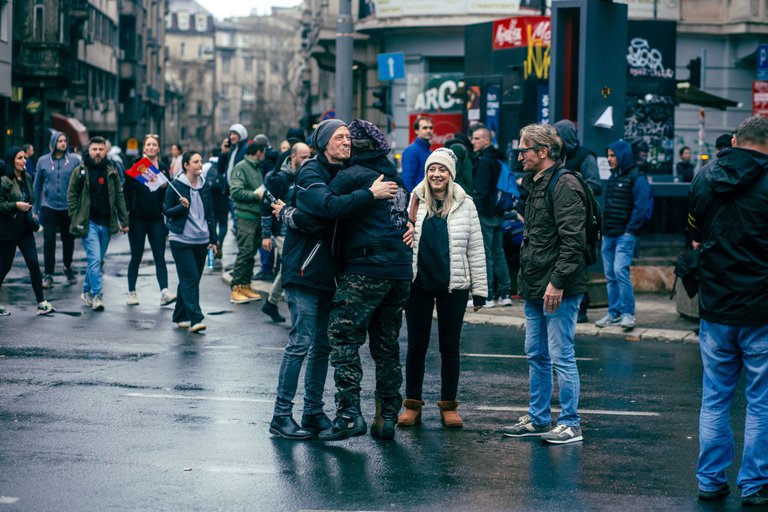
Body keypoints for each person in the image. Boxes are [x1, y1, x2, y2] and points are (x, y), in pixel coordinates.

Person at [267, 119, 397, 440]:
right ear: (325, 143)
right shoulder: (311, 172)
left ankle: (312, 412)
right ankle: (281, 415)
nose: (346, 142)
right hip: (305, 271)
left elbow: (332, 212)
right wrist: (369, 194)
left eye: (348, 138)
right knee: (301, 342)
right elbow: (324, 208)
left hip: (332, 273)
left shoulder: (345, 172)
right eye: (339, 137)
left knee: (322, 347)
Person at [688, 116, 768, 506]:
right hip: (761, 307)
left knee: (715, 398)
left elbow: (696, 235)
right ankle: (754, 485)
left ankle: (710, 480)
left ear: (736, 140)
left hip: (716, 305)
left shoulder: (704, 177)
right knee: (761, 400)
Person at [317, 119, 412, 441]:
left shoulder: (353, 176)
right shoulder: (394, 177)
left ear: (358, 146)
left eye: (348, 140)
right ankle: (387, 415)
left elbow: (322, 207)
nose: (344, 145)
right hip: (400, 270)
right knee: (386, 346)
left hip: (367, 268)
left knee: (342, 337)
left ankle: (348, 415)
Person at [500, 123, 588, 445]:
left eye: (525, 149)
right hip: (536, 285)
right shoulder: (536, 183)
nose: (519, 155)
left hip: (557, 287)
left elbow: (572, 240)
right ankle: (538, 419)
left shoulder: (563, 184)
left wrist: (558, 282)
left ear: (543, 152)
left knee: (561, 354)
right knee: (535, 353)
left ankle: (570, 423)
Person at [398, 147, 487, 429]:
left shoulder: (465, 203)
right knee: (416, 346)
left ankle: (449, 405)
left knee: (450, 348)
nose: (436, 174)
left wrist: (480, 289)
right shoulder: (413, 200)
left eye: (442, 169)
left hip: (454, 286)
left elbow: (475, 247)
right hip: (418, 284)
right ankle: (412, 404)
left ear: (451, 174)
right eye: (432, 169)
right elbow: (397, 238)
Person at [67, 136, 130, 312]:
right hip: (89, 223)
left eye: (101, 149)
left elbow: (119, 196)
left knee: (97, 261)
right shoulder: (80, 170)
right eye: (94, 149)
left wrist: (124, 221)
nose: (97, 152)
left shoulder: (112, 170)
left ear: (105, 151)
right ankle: (97, 295)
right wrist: (74, 216)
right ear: (89, 150)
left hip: (107, 223)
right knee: (94, 259)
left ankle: (86, 290)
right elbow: (71, 195)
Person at [594, 140, 651, 330]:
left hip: (624, 235)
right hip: (609, 235)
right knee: (610, 275)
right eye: (608, 155)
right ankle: (614, 314)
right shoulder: (613, 177)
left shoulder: (637, 177)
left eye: (613, 155)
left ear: (622, 156)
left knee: (620, 272)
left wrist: (630, 230)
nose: (609, 159)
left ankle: (628, 314)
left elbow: (641, 206)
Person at [553, 119, 602, 323]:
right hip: (559, 216)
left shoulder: (585, 156)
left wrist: (571, 190)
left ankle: (582, 307)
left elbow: (595, 185)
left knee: (578, 263)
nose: (554, 139)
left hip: (579, 217)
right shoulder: (558, 156)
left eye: (557, 135)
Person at [164, 151, 218, 334]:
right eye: (195, 161)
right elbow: (166, 211)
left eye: (200, 161)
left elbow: (210, 213)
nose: (199, 164)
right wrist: (181, 206)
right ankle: (196, 319)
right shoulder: (176, 185)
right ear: (186, 165)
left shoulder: (204, 186)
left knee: (190, 280)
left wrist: (213, 239)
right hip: (181, 240)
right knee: (191, 279)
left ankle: (179, 315)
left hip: (201, 240)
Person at [260, 142, 311, 323]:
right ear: (293, 157)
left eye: (309, 156)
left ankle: (271, 303)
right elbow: (266, 208)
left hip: (298, 230)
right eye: (303, 157)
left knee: (288, 269)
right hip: (281, 232)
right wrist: (266, 236)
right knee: (289, 269)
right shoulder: (280, 178)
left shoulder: (307, 175)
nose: (307, 160)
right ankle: (283, 307)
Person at [0, 147, 55, 316]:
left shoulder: (27, 178)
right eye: (19, 158)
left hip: (24, 230)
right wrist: (15, 205)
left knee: (33, 263)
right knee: (4, 267)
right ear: (12, 161)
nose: (24, 161)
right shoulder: (4, 181)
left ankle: (41, 303)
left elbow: (30, 200)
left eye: (24, 158)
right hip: (7, 231)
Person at [123, 134, 175, 307]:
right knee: (136, 256)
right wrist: (127, 215)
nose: (151, 147)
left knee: (160, 256)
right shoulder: (137, 167)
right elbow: (127, 193)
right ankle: (131, 292)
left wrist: (165, 189)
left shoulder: (164, 169)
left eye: (154, 145)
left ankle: (164, 292)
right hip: (137, 219)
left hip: (156, 219)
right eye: (148, 145)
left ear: (158, 148)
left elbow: (169, 195)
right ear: (144, 148)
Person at [471, 126, 512, 307]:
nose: (473, 142)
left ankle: (488, 295)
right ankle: (505, 294)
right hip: (498, 213)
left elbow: (481, 190)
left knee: (486, 255)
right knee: (499, 254)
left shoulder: (484, 161)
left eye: (477, 138)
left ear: (487, 140)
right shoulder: (499, 159)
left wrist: (477, 210)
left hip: (485, 214)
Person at [33, 131, 81, 288]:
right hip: (49, 206)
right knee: (49, 241)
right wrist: (35, 207)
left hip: (69, 208)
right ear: (53, 143)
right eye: (59, 141)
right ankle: (48, 274)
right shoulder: (42, 161)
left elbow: (80, 183)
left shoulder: (74, 160)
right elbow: (37, 185)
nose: (63, 143)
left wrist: (79, 205)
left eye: (64, 140)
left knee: (69, 240)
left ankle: (67, 267)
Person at [228, 141, 267, 304]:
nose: (264, 155)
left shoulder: (256, 167)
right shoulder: (241, 167)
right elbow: (236, 191)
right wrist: (255, 195)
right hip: (245, 216)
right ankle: (236, 287)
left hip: (256, 216)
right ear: (259, 152)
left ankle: (245, 284)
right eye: (263, 152)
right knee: (245, 252)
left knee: (251, 253)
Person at [205, 143, 229, 259]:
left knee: (212, 223)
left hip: (210, 198)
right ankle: (219, 241)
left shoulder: (205, 166)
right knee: (223, 224)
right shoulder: (225, 164)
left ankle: (212, 249)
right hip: (223, 197)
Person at [401, 115, 433, 192]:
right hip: (418, 198)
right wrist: (413, 200)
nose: (428, 130)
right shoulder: (411, 151)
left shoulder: (429, 151)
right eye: (425, 128)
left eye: (431, 128)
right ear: (416, 131)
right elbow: (407, 180)